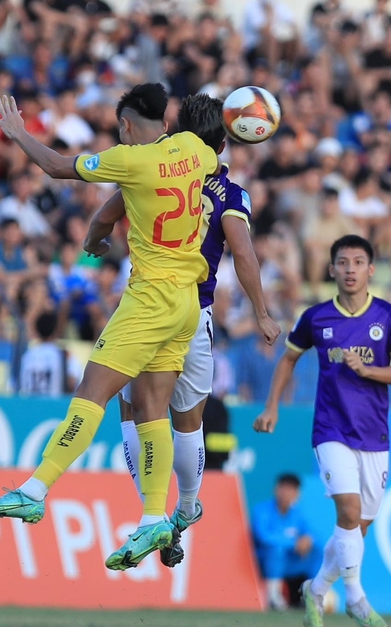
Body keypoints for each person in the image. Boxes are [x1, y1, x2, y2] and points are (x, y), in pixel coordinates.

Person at [0, 84, 219, 571]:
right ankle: (154, 515)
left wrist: (19, 133)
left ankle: (35, 489)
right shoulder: (198, 151)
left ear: (126, 124)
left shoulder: (130, 160)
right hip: (187, 303)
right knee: (151, 408)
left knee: (92, 392)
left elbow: (56, 167)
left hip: (148, 300)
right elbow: (214, 150)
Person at [109, 93, 281, 567]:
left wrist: (95, 235)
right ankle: (185, 508)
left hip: (145, 308)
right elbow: (243, 253)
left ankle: (153, 517)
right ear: (223, 143)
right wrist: (262, 313)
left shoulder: (158, 167)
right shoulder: (230, 192)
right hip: (195, 316)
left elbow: (110, 207)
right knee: (188, 423)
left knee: (134, 412)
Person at [254, 234, 391, 627]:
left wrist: (369, 370)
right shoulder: (316, 317)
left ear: (371, 270)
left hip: (374, 436)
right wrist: (272, 405)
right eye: (343, 263)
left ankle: (317, 587)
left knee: (357, 528)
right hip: (331, 429)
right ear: (331, 270)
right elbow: (288, 359)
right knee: (348, 510)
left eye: (358, 262)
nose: (350, 270)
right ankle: (356, 599)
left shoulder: (389, 318)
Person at [251, 474, 319, 610]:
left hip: (290, 561)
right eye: (284, 489)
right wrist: (294, 543)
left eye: (291, 490)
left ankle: (313, 594)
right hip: (263, 561)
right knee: (276, 550)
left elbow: (310, 534)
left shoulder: (298, 512)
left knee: (317, 550)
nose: (286, 494)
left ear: (297, 493)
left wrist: (308, 540)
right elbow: (263, 537)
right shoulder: (261, 510)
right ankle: (273, 595)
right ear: (276, 489)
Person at [19, 311, 83, 397]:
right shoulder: (63, 355)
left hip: (30, 405)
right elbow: (73, 383)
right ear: (56, 330)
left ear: (37, 330)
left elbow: (17, 385)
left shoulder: (27, 356)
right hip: (53, 406)